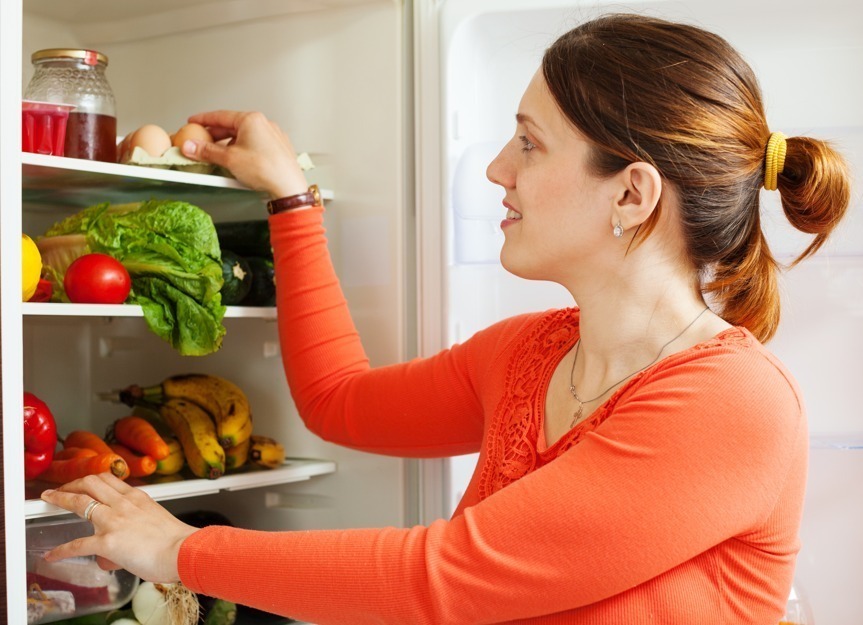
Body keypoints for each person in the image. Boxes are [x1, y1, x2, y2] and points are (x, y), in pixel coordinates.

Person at [41, 13, 850, 625]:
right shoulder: (531, 353)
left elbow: (446, 575)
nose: (497, 167)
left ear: (630, 194)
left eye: (528, 144)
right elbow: (338, 399)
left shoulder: (729, 405)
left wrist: (180, 547)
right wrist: (291, 196)